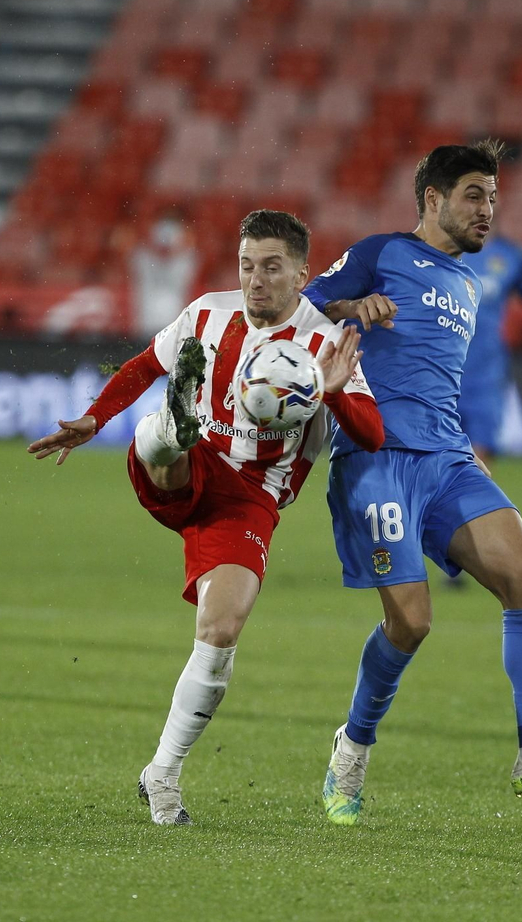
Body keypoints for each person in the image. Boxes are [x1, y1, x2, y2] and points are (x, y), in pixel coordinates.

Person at [28, 209, 383, 826]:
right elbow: (144, 363)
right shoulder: (207, 313)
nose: (255, 280)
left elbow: (373, 434)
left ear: (302, 273)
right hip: (195, 462)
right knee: (173, 443)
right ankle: (170, 427)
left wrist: (327, 391)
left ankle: (161, 774)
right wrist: (94, 417)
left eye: (272, 267)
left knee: (221, 632)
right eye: (247, 266)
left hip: (251, 498)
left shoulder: (327, 342)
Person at [300, 141, 522, 824]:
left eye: (494, 197)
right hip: (376, 457)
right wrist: (353, 309)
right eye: (474, 194)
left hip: (448, 459)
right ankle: (351, 748)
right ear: (432, 198)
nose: (488, 210)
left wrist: (470, 453)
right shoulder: (378, 253)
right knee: (411, 621)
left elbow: (437, 381)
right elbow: (298, 310)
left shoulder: (471, 284)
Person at [459, 233, 522, 469]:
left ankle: (466, 503)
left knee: (478, 463)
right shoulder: (438, 249)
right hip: (441, 372)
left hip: (485, 375)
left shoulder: (513, 256)